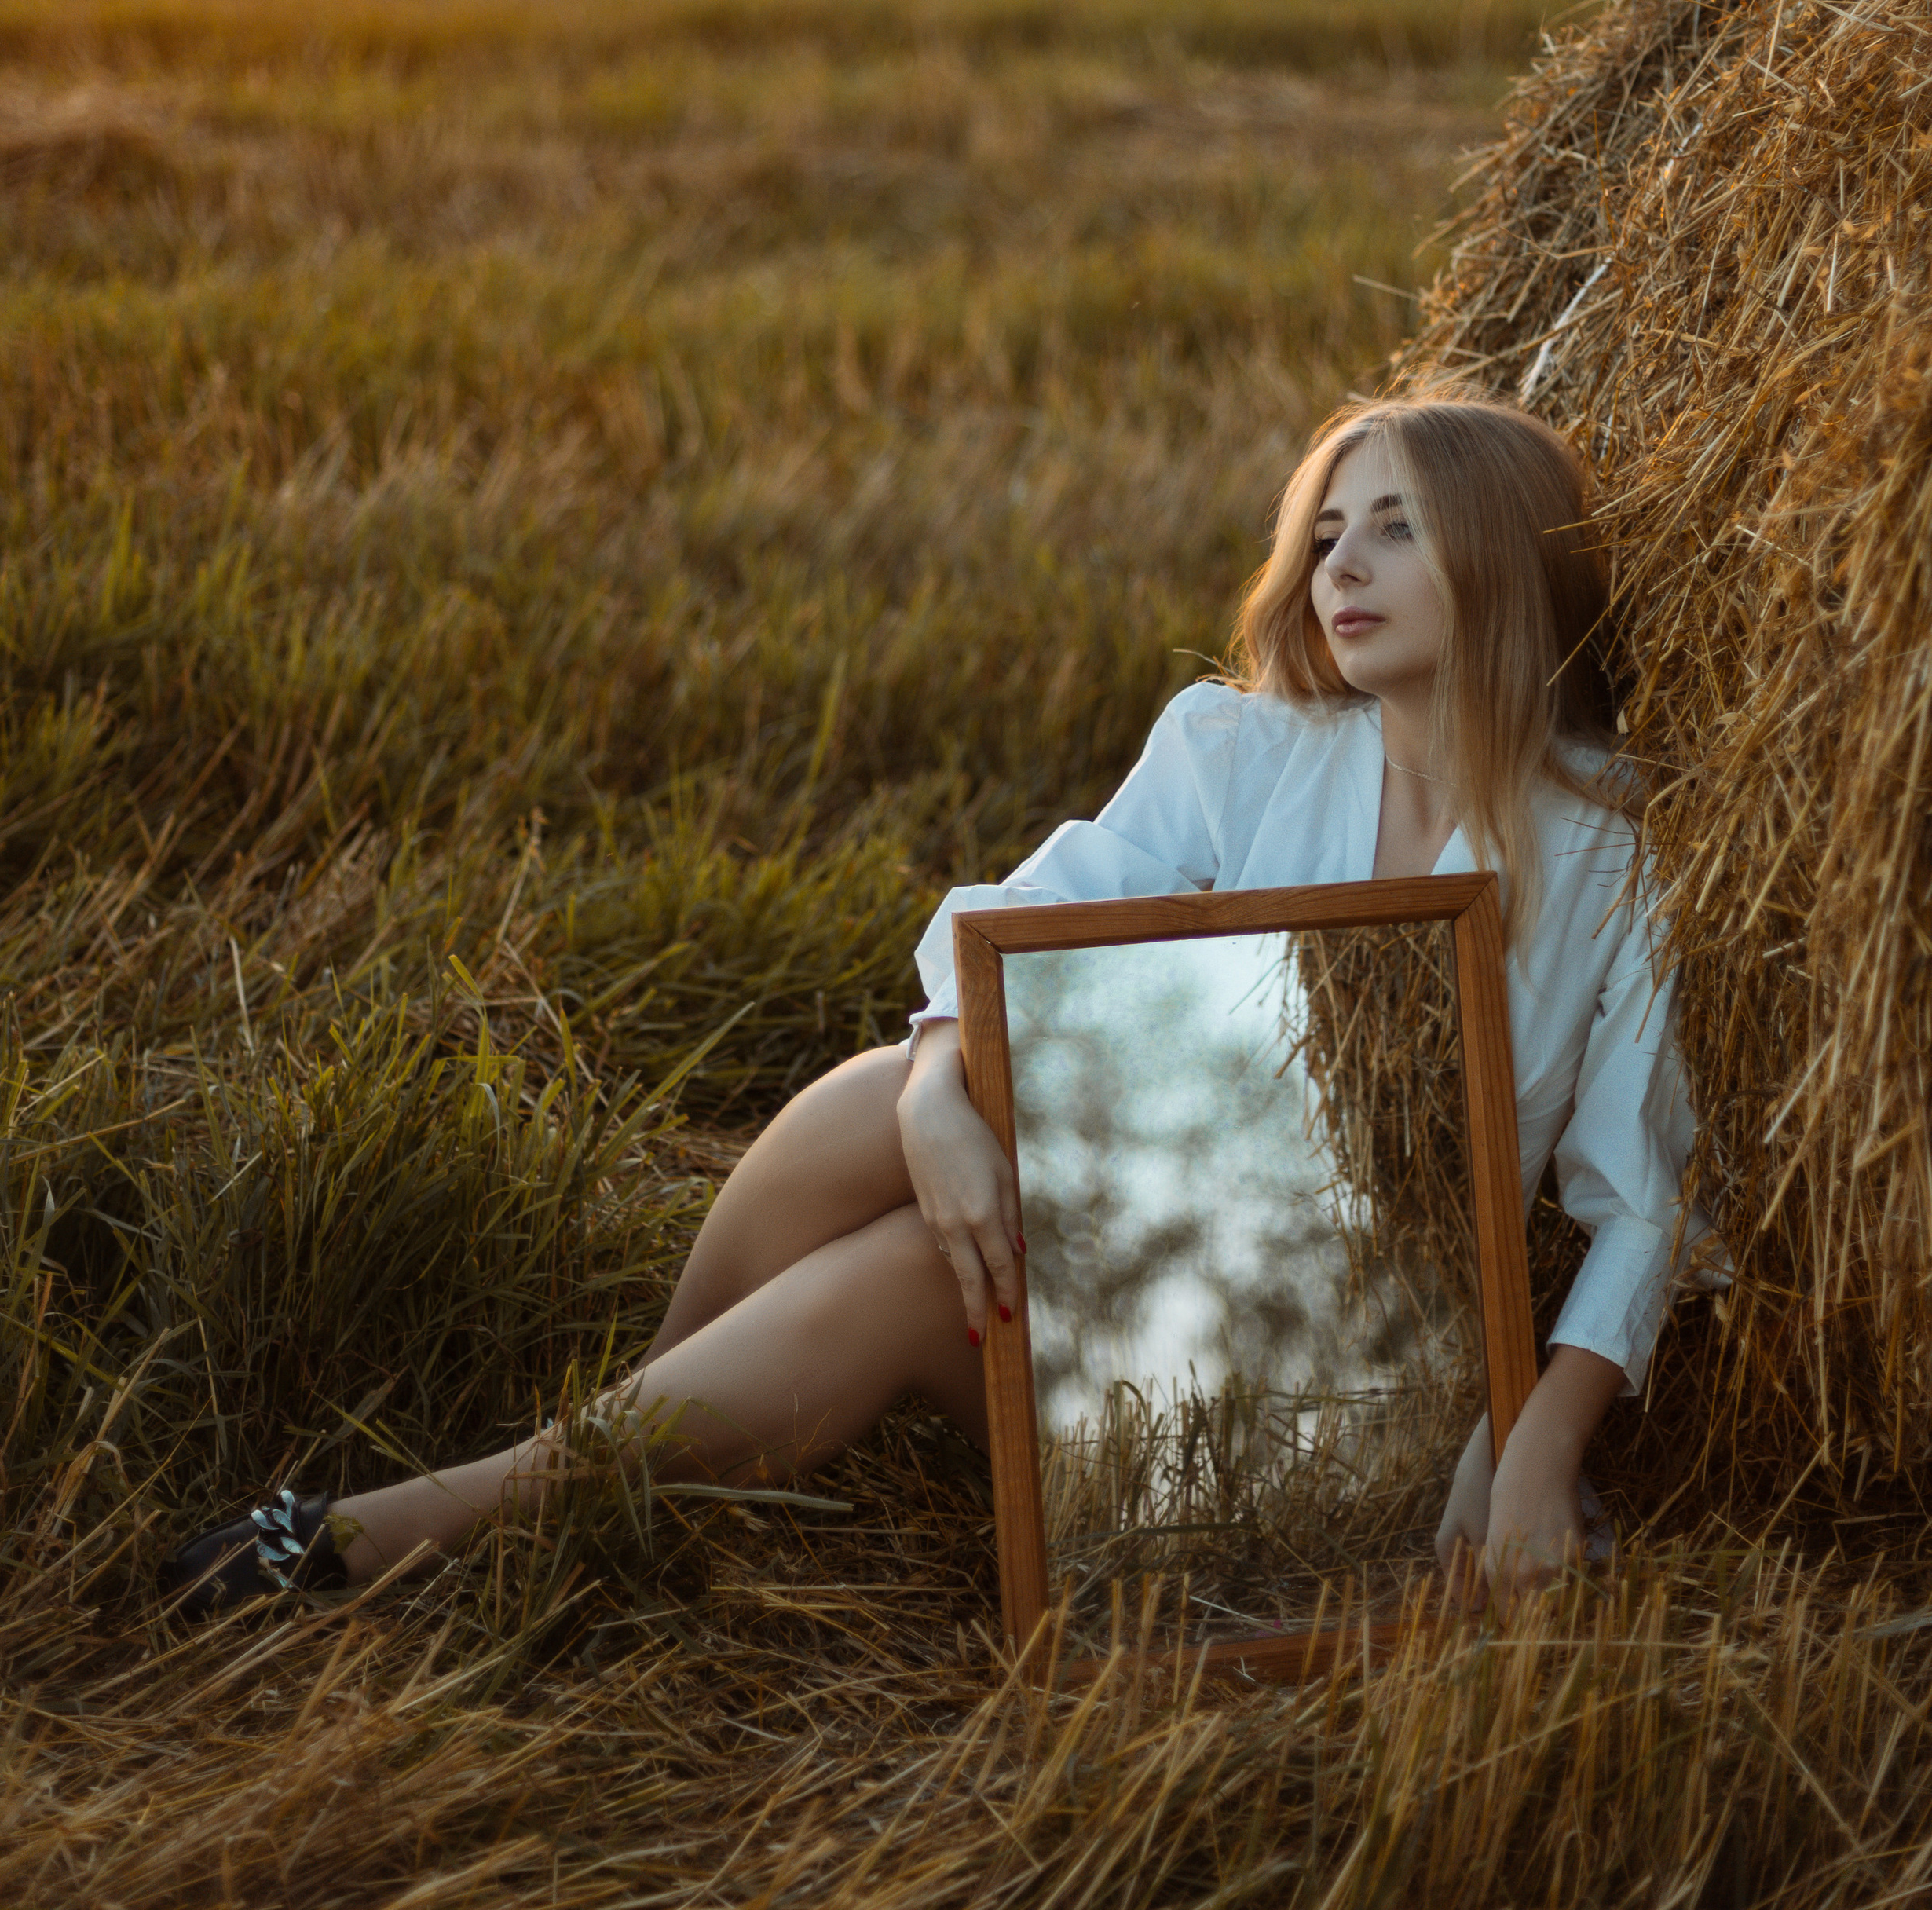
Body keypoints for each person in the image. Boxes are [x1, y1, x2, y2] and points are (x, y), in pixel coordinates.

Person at [165, 393, 1707, 1618]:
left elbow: (1638, 1206)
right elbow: (1023, 923)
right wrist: (933, 1096)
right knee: (871, 1100)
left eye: (1393, 530)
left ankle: (427, 1532)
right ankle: (631, 1459)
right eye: (1322, 535)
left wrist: (1533, 1450)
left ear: (1502, 558)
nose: (1339, 570)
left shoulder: (1603, 856)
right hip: (1168, 1243)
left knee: (920, 1272)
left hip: (1343, 1368)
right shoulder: (1240, 749)